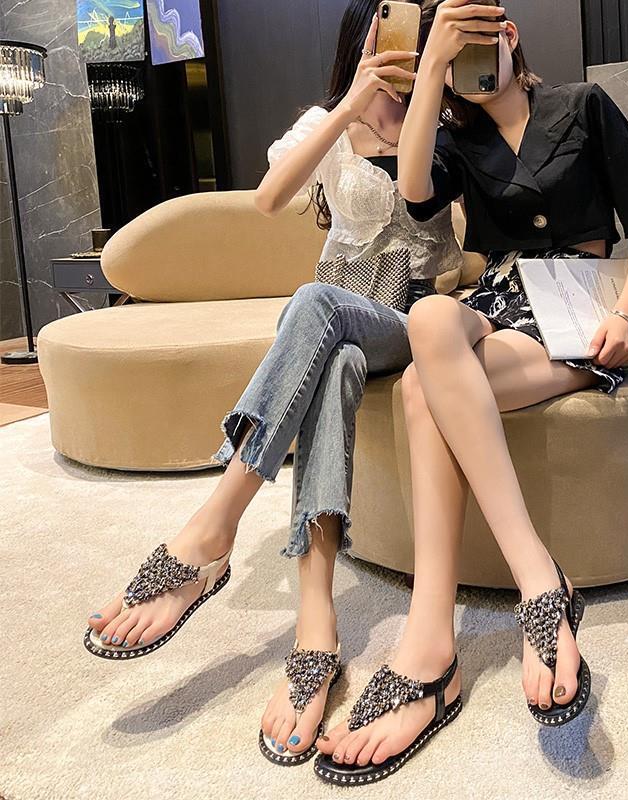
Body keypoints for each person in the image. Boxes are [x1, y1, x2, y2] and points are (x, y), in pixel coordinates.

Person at [82, 0, 462, 768]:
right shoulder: (329, 121)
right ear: (361, 41)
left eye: (414, 40)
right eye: (386, 34)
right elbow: (267, 197)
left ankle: (216, 524)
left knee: (314, 305)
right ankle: (315, 629)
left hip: (406, 317)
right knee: (333, 353)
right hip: (335, 321)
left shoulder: (443, 121)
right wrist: (348, 107)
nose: (400, 51)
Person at [315, 0, 628, 784]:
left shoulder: (583, 105)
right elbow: (414, 190)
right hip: (500, 308)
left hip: (581, 310)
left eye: (476, 49)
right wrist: (432, 68)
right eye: (454, 61)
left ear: (509, 36)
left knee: (421, 389)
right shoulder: (457, 139)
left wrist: (625, 313)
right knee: (431, 318)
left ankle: (428, 647)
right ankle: (539, 579)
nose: (469, 72)